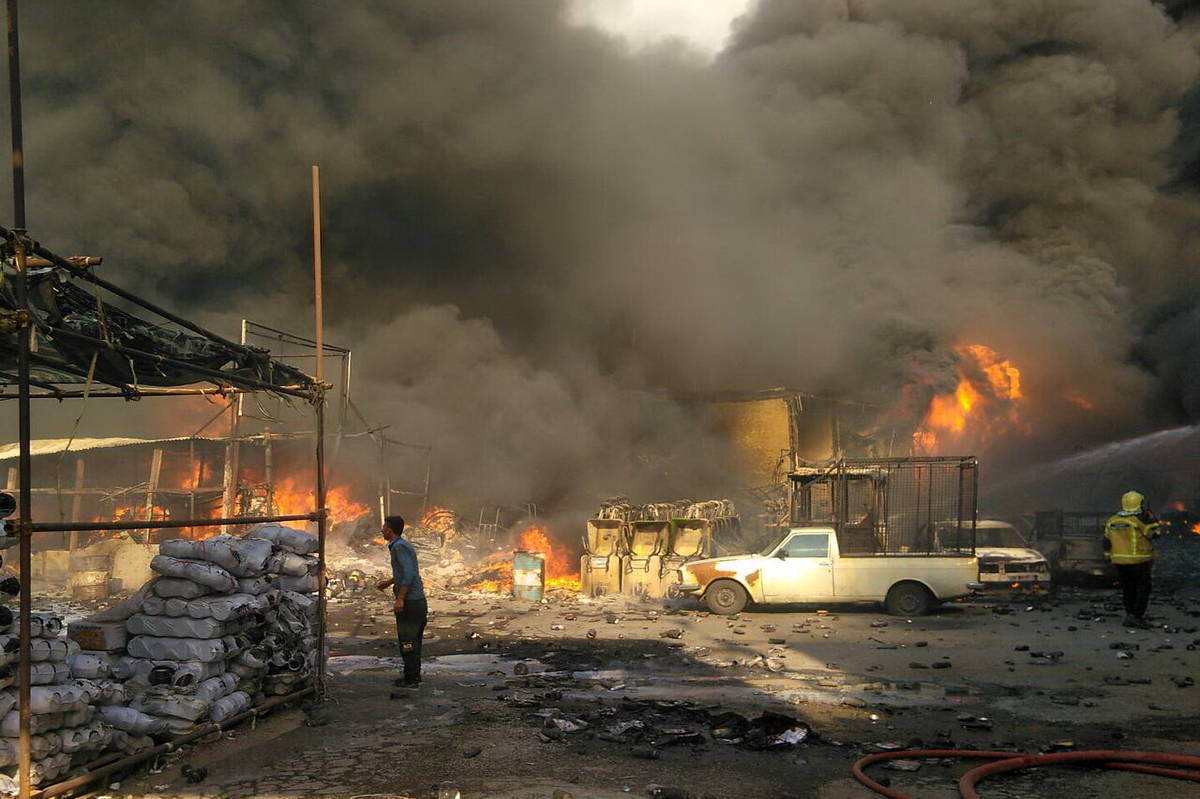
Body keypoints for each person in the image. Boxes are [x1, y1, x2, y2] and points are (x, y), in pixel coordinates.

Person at [376, 515, 427, 690]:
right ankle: (413, 675)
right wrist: (389, 582)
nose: (382, 530)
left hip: (411, 604)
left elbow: (409, 574)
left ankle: (411, 679)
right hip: (416, 603)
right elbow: (405, 572)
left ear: (390, 531)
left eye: (384, 528)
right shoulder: (401, 545)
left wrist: (400, 599)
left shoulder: (399, 547)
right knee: (413, 641)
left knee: (407, 641)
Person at [1103, 491, 1160, 629]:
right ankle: (1136, 616)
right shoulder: (1139, 520)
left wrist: (1108, 555)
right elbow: (1155, 535)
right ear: (1139, 504)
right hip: (1138, 561)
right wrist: (1152, 519)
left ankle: (1130, 614)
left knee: (1128, 589)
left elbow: (1106, 541)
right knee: (1143, 588)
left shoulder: (1112, 520)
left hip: (1119, 561)